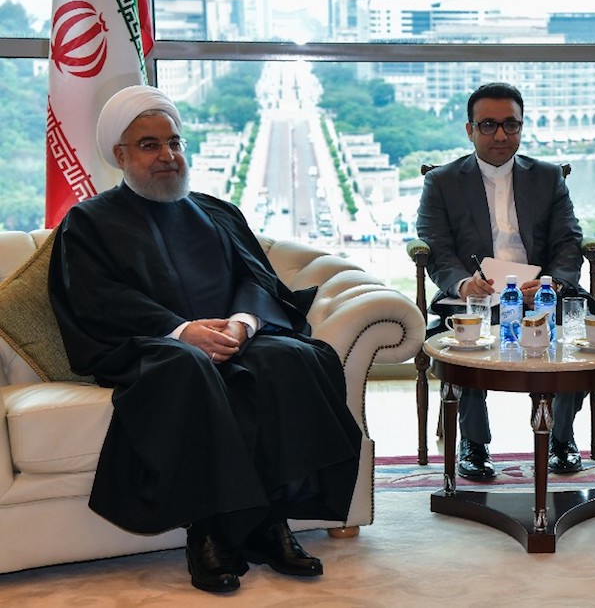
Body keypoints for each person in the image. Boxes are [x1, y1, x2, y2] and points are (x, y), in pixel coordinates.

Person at [48, 85, 362, 594]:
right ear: (121, 155)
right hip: (152, 346)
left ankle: (271, 520)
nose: (167, 156)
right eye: (150, 145)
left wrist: (242, 323)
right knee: (187, 368)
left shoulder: (216, 211)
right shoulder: (89, 222)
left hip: (234, 338)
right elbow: (99, 301)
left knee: (293, 358)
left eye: (174, 142)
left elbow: (258, 280)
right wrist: (182, 331)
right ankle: (211, 530)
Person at [416, 82, 593, 480]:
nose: (501, 135)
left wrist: (552, 281)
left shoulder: (547, 177)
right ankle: (474, 444)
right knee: (460, 333)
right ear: (469, 130)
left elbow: (569, 240)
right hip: (472, 294)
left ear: (521, 127)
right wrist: (461, 283)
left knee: (580, 321)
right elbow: (436, 246)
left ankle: (561, 438)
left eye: (510, 125)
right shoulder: (442, 182)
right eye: (489, 125)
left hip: (539, 291)